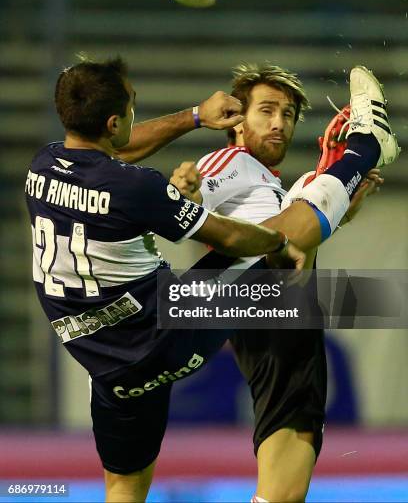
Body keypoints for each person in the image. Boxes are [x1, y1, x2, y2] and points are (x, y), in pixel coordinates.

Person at [25, 56, 306, 503]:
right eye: (133, 106)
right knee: (280, 247)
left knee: (123, 486)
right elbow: (230, 234)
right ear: (114, 120)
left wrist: (196, 116)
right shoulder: (135, 187)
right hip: (161, 334)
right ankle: (358, 156)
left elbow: (114, 150)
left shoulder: (41, 166)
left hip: (102, 359)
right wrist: (276, 242)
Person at [170, 63, 398, 502]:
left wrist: (340, 209)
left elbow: (295, 248)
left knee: (285, 477)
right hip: (245, 293)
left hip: (277, 315)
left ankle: (343, 171)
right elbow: (197, 194)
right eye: (267, 110)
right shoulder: (231, 160)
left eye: (288, 114)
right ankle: (365, 145)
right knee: (307, 201)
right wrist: (188, 195)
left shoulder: (268, 185)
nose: (279, 123)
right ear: (237, 120)